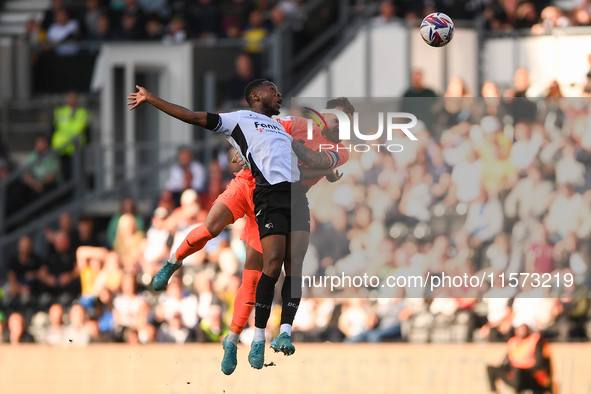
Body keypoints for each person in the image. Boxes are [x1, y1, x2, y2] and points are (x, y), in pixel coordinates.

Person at [127, 80, 347, 371]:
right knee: (211, 227)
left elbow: (314, 160)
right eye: (335, 117)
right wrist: (153, 98)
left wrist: (325, 170)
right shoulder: (292, 123)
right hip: (248, 185)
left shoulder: (340, 150)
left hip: (276, 199)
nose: (340, 124)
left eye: (346, 121)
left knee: (255, 277)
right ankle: (173, 261)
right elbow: (222, 126)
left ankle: (231, 342)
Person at [487, 322, 553, 394]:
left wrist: (521, 367)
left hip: (530, 376)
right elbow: (505, 362)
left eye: (523, 329)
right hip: (514, 375)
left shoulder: (534, 340)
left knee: (517, 370)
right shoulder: (513, 342)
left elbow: (539, 362)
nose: (521, 331)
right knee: (491, 368)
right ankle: (493, 392)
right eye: (519, 329)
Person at [51, 91, 91, 180]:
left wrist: (87, 144)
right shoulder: (60, 112)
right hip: (63, 148)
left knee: (78, 173)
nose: (72, 100)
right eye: (70, 97)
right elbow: (53, 128)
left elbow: (87, 130)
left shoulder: (83, 112)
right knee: (65, 173)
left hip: (77, 147)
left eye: (74, 98)